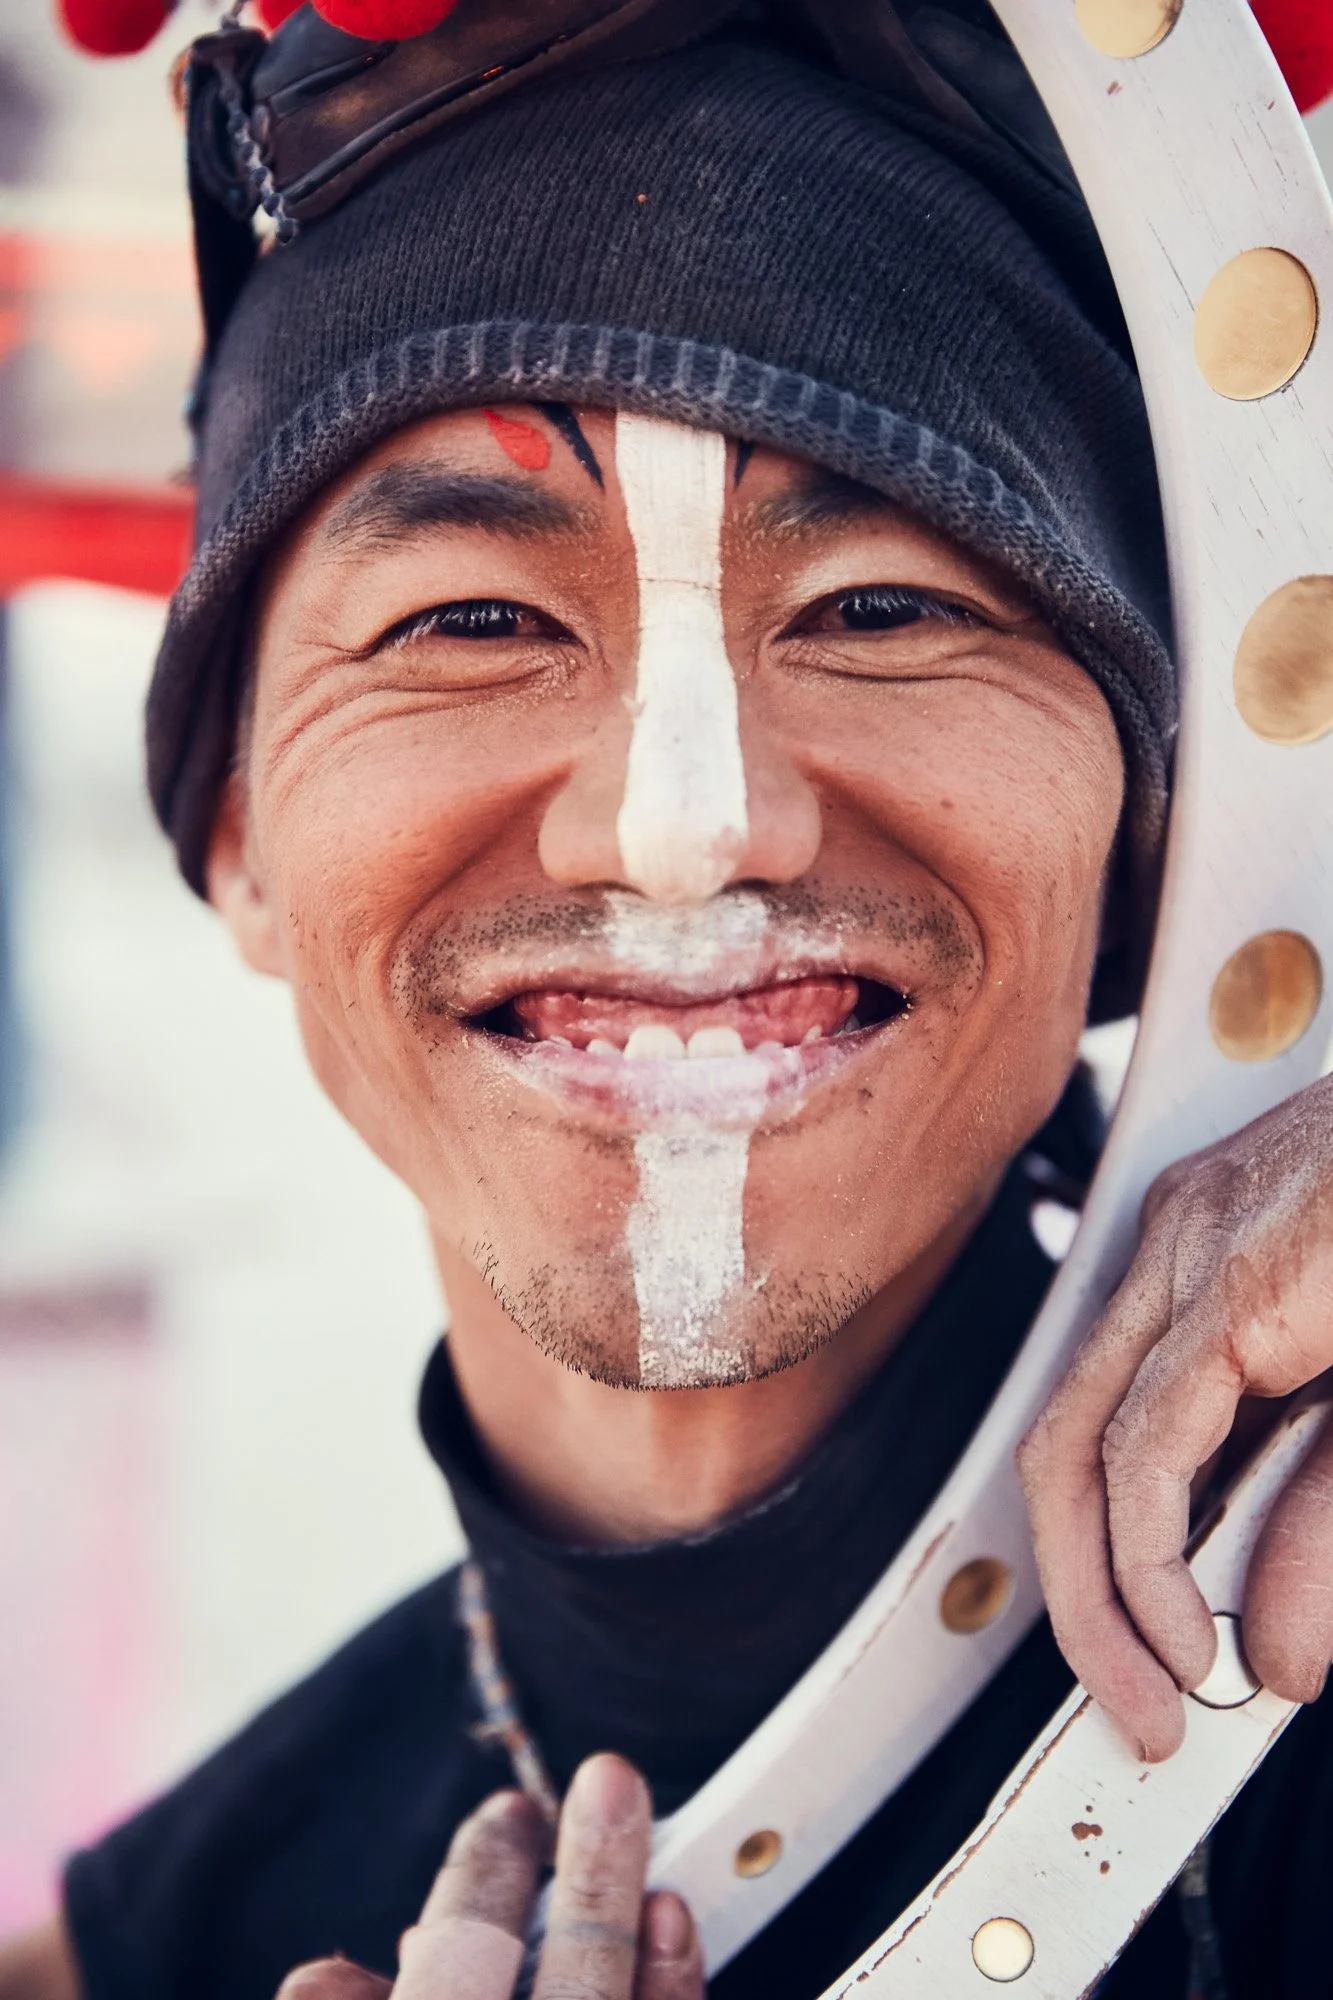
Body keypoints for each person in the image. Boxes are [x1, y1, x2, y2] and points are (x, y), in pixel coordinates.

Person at [4, 8, 1333, 1998]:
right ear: (236, 830)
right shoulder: (144, 1955)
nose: (687, 824)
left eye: (884, 606)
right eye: (471, 620)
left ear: (1157, 830)